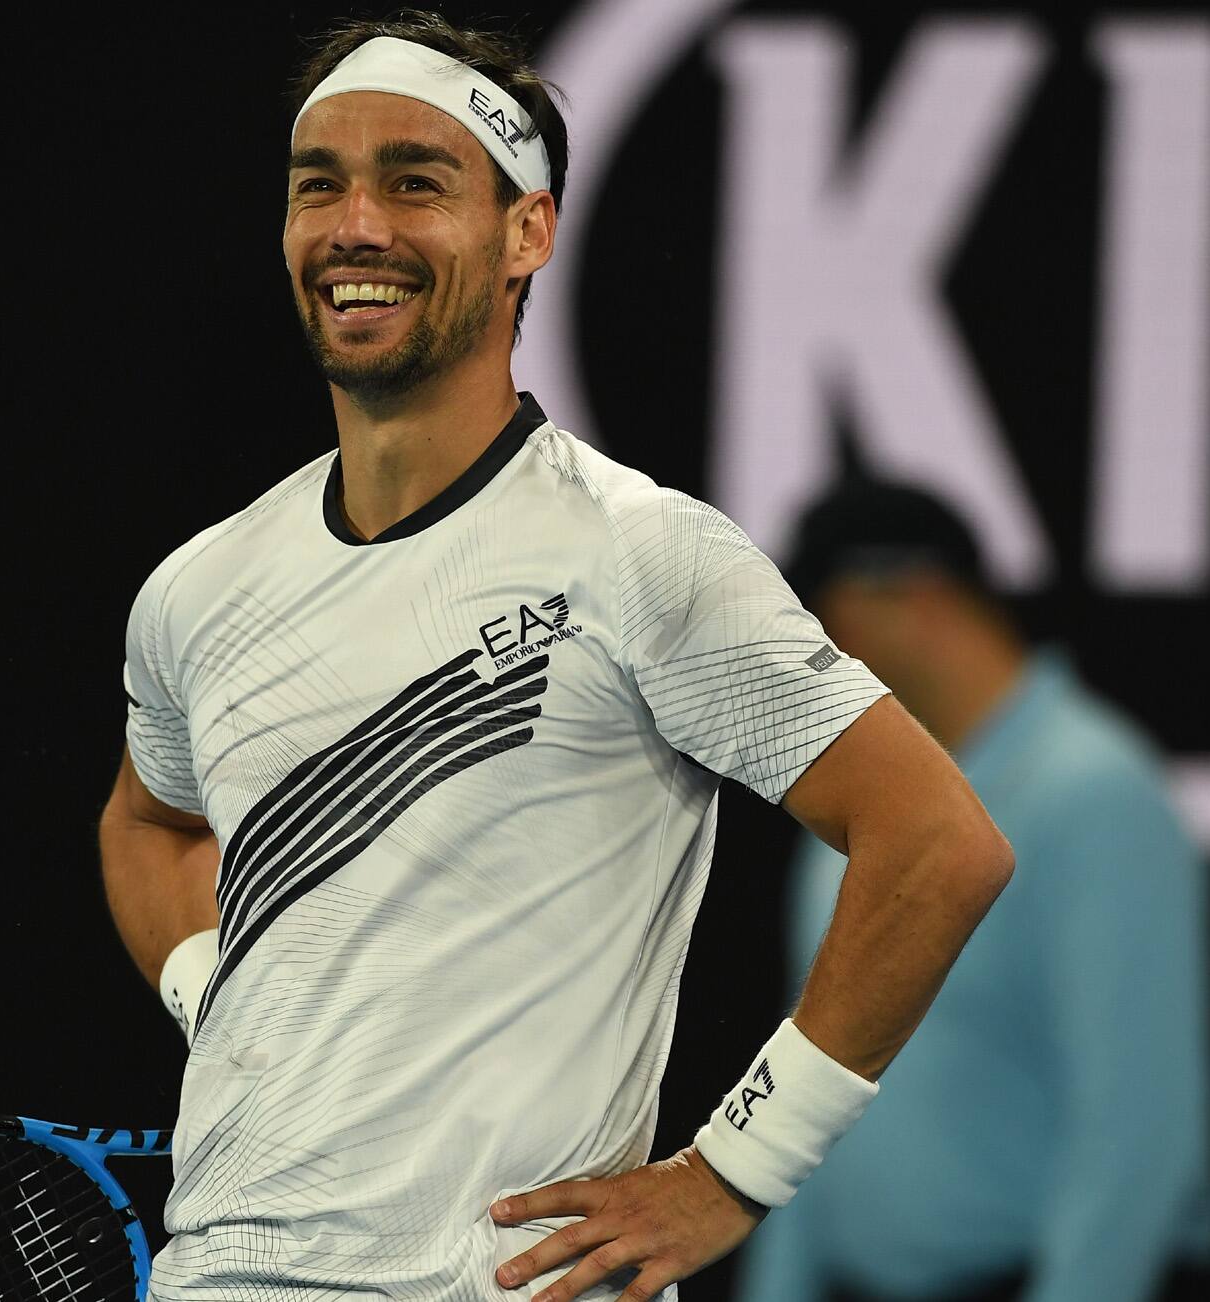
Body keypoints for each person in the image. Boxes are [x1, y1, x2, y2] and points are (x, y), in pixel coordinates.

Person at [97, 14, 1014, 1301]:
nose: (355, 226)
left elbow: (937, 846)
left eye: (415, 182)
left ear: (526, 232)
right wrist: (224, 991)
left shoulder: (640, 555)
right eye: (320, 186)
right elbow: (149, 823)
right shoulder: (198, 591)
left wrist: (734, 1170)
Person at [738, 478, 1210, 1302]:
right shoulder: (853, 815)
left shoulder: (1095, 794)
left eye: (831, 632)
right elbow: (802, 1094)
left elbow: (1140, 1132)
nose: (814, 667)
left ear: (921, 600)